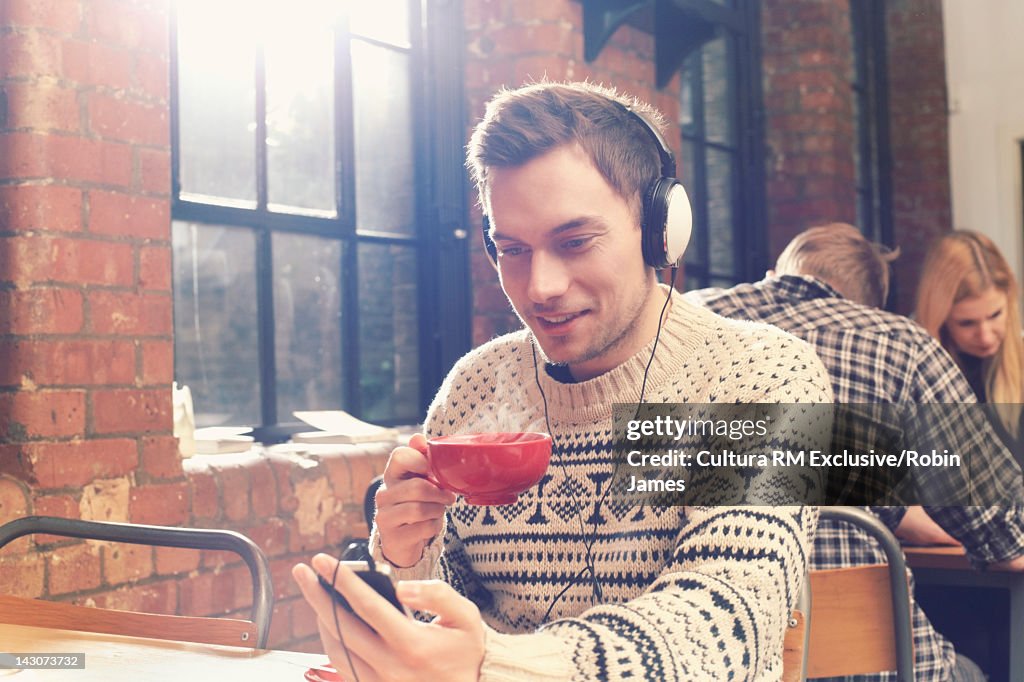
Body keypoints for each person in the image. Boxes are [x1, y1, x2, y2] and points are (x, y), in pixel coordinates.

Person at [292, 81, 834, 680]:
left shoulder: (761, 375)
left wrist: (496, 665)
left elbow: (722, 623)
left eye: (575, 242)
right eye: (512, 249)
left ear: (659, 231)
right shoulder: (475, 386)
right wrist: (404, 556)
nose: (540, 286)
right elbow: (440, 630)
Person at [686, 223, 1024, 681]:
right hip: (875, 666)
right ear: (866, 305)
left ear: (775, 275)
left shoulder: (685, 326)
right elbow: (1007, 535)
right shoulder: (896, 342)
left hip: (715, 656)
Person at [916, 230, 1024, 462]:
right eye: (967, 323)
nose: (985, 336)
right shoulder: (913, 373)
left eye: (995, 315)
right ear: (940, 319)